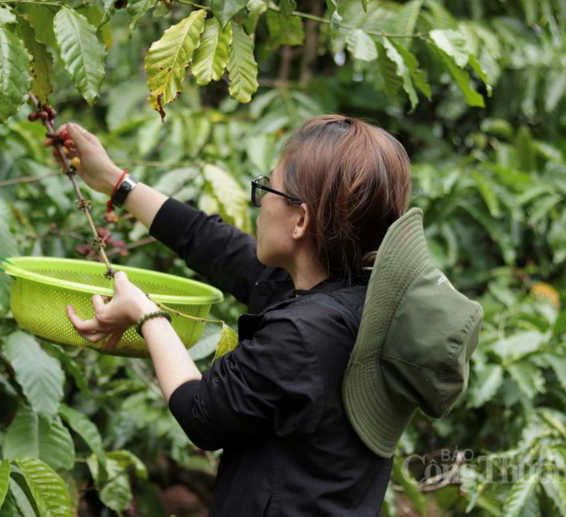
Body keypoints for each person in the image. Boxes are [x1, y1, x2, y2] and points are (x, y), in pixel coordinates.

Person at [56, 115, 413, 516]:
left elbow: (201, 413)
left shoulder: (302, 335)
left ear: (300, 220)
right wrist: (116, 182)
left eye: (268, 189)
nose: (258, 205)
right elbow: (210, 242)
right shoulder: (359, 299)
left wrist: (145, 314)